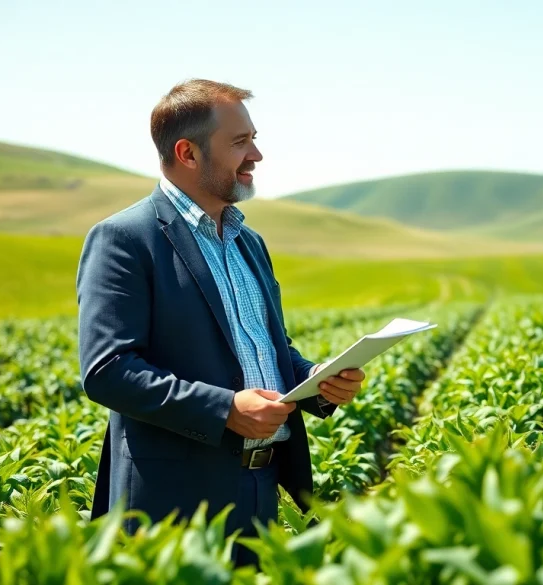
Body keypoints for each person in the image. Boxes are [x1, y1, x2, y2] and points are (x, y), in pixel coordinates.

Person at [75, 78, 365, 568]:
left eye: (253, 138)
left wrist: (317, 383)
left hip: (262, 488)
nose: (257, 154)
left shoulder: (249, 243)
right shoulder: (124, 239)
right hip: (174, 507)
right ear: (188, 153)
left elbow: (268, 353)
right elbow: (108, 370)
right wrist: (225, 408)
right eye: (240, 142)